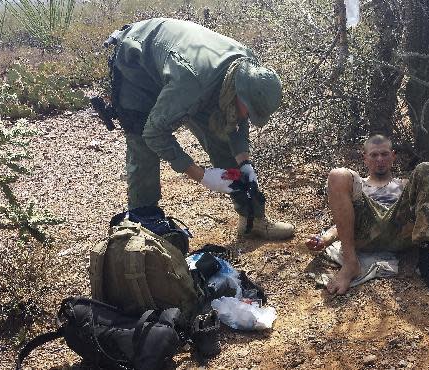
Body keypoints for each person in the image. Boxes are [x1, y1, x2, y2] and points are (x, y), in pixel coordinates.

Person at [96, 18, 294, 240]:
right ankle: (144, 228)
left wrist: (244, 162)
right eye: (249, 110)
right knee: (142, 142)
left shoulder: (248, 70)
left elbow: (237, 118)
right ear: (238, 92)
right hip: (137, 66)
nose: (248, 116)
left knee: (223, 136)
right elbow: (154, 133)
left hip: (185, 68)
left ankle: (253, 219)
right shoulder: (193, 84)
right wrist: (202, 175)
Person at [305, 135, 429, 295]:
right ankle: (350, 263)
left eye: (384, 154)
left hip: (401, 232)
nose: (380, 159)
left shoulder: (406, 185)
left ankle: (426, 263)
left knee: (428, 168)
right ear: (365, 158)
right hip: (365, 234)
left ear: (393, 156)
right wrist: (325, 239)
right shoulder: (356, 186)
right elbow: (343, 222)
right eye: (374, 155)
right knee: (337, 174)